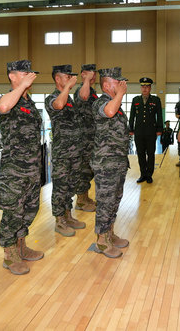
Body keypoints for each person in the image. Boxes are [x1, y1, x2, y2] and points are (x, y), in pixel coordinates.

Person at [0, 60, 44, 275]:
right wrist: (21, 86)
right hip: (14, 170)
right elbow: (3, 107)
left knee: (30, 209)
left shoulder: (29, 102)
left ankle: (21, 246)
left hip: (33, 168)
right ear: (12, 76)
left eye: (30, 72)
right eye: (24, 72)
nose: (29, 76)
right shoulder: (6, 100)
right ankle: (9, 253)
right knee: (13, 212)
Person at [91, 67, 130, 258]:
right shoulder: (101, 102)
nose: (122, 85)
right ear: (106, 85)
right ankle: (101, 241)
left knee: (114, 200)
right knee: (105, 202)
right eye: (118, 82)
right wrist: (121, 94)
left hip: (118, 162)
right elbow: (109, 111)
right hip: (105, 163)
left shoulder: (116, 103)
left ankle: (110, 234)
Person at [45, 65, 86, 237]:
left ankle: (68, 215)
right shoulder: (53, 98)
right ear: (57, 79)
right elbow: (58, 105)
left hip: (75, 151)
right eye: (66, 76)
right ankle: (59, 220)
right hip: (62, 153)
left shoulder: (70, 99)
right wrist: (68, 87)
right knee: (61, 187)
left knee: (71, 185)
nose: (70, 78)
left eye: (71, 76)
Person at [72, 64, 98, 212]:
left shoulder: (92, 91)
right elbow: (83, 96)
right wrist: (87, 80)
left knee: (89, 170)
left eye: (94, 74)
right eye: (89, 74)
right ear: (82, 74)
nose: (93, 77)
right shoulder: (81, 90)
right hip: (83, 138)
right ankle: (81, 201)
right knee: (84, 170)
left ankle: (85, 197)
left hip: (91, 136)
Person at [129, 77, 163, 184]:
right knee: (140, 153)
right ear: (141, 88)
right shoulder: (136, 100)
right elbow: (132, 116)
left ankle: (149, 175)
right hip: (138, 131)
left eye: (147, 87)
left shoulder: (156, 100)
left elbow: (159, 116)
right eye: (143, 86)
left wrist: (159, 129)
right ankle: (142, 174)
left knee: (151, 153)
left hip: (151, 131)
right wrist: (130, 128)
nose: (144, 89)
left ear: (150, 88)